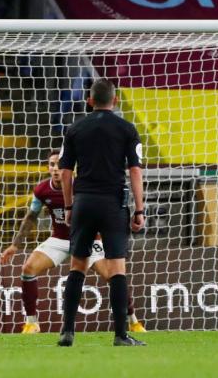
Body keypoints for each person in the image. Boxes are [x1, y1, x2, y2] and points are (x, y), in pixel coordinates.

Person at [0, 150, 147, 334]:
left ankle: (133, 321)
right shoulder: (41, 190)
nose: (56, 169)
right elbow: (31, 217)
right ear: (48, 167)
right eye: (52, 165)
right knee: (28, 269)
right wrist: (15, 244)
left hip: (89, 238)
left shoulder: (82, 188)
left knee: (113, 276)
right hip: (60, 239)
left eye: (60, 166)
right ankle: (31, 323)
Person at [57, 78, 146, 347]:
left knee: (78, 265)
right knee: (117, 267)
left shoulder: (74, 128)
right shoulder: (127, 129)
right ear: (115, 101)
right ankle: (120, 335)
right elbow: (135, 171)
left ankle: (67, 332)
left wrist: (70, 205)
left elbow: (64, 172)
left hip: (83, 202)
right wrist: (139, 209)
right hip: (112, 203)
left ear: (90, 101)